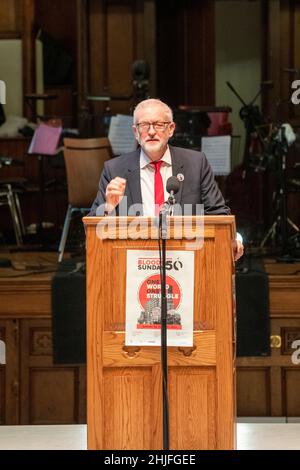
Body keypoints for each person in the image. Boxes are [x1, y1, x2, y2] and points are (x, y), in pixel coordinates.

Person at [90, 98, 244, 260]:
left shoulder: (196, 164)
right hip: (133, 259)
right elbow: (92, 230)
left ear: (171, 129)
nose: (151, 132)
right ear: (135, 132)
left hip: (186, 258)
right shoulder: (115, 169)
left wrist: (233, 239)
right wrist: (108, 207)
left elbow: (218, 214)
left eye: (158, 124)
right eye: (144, 125)